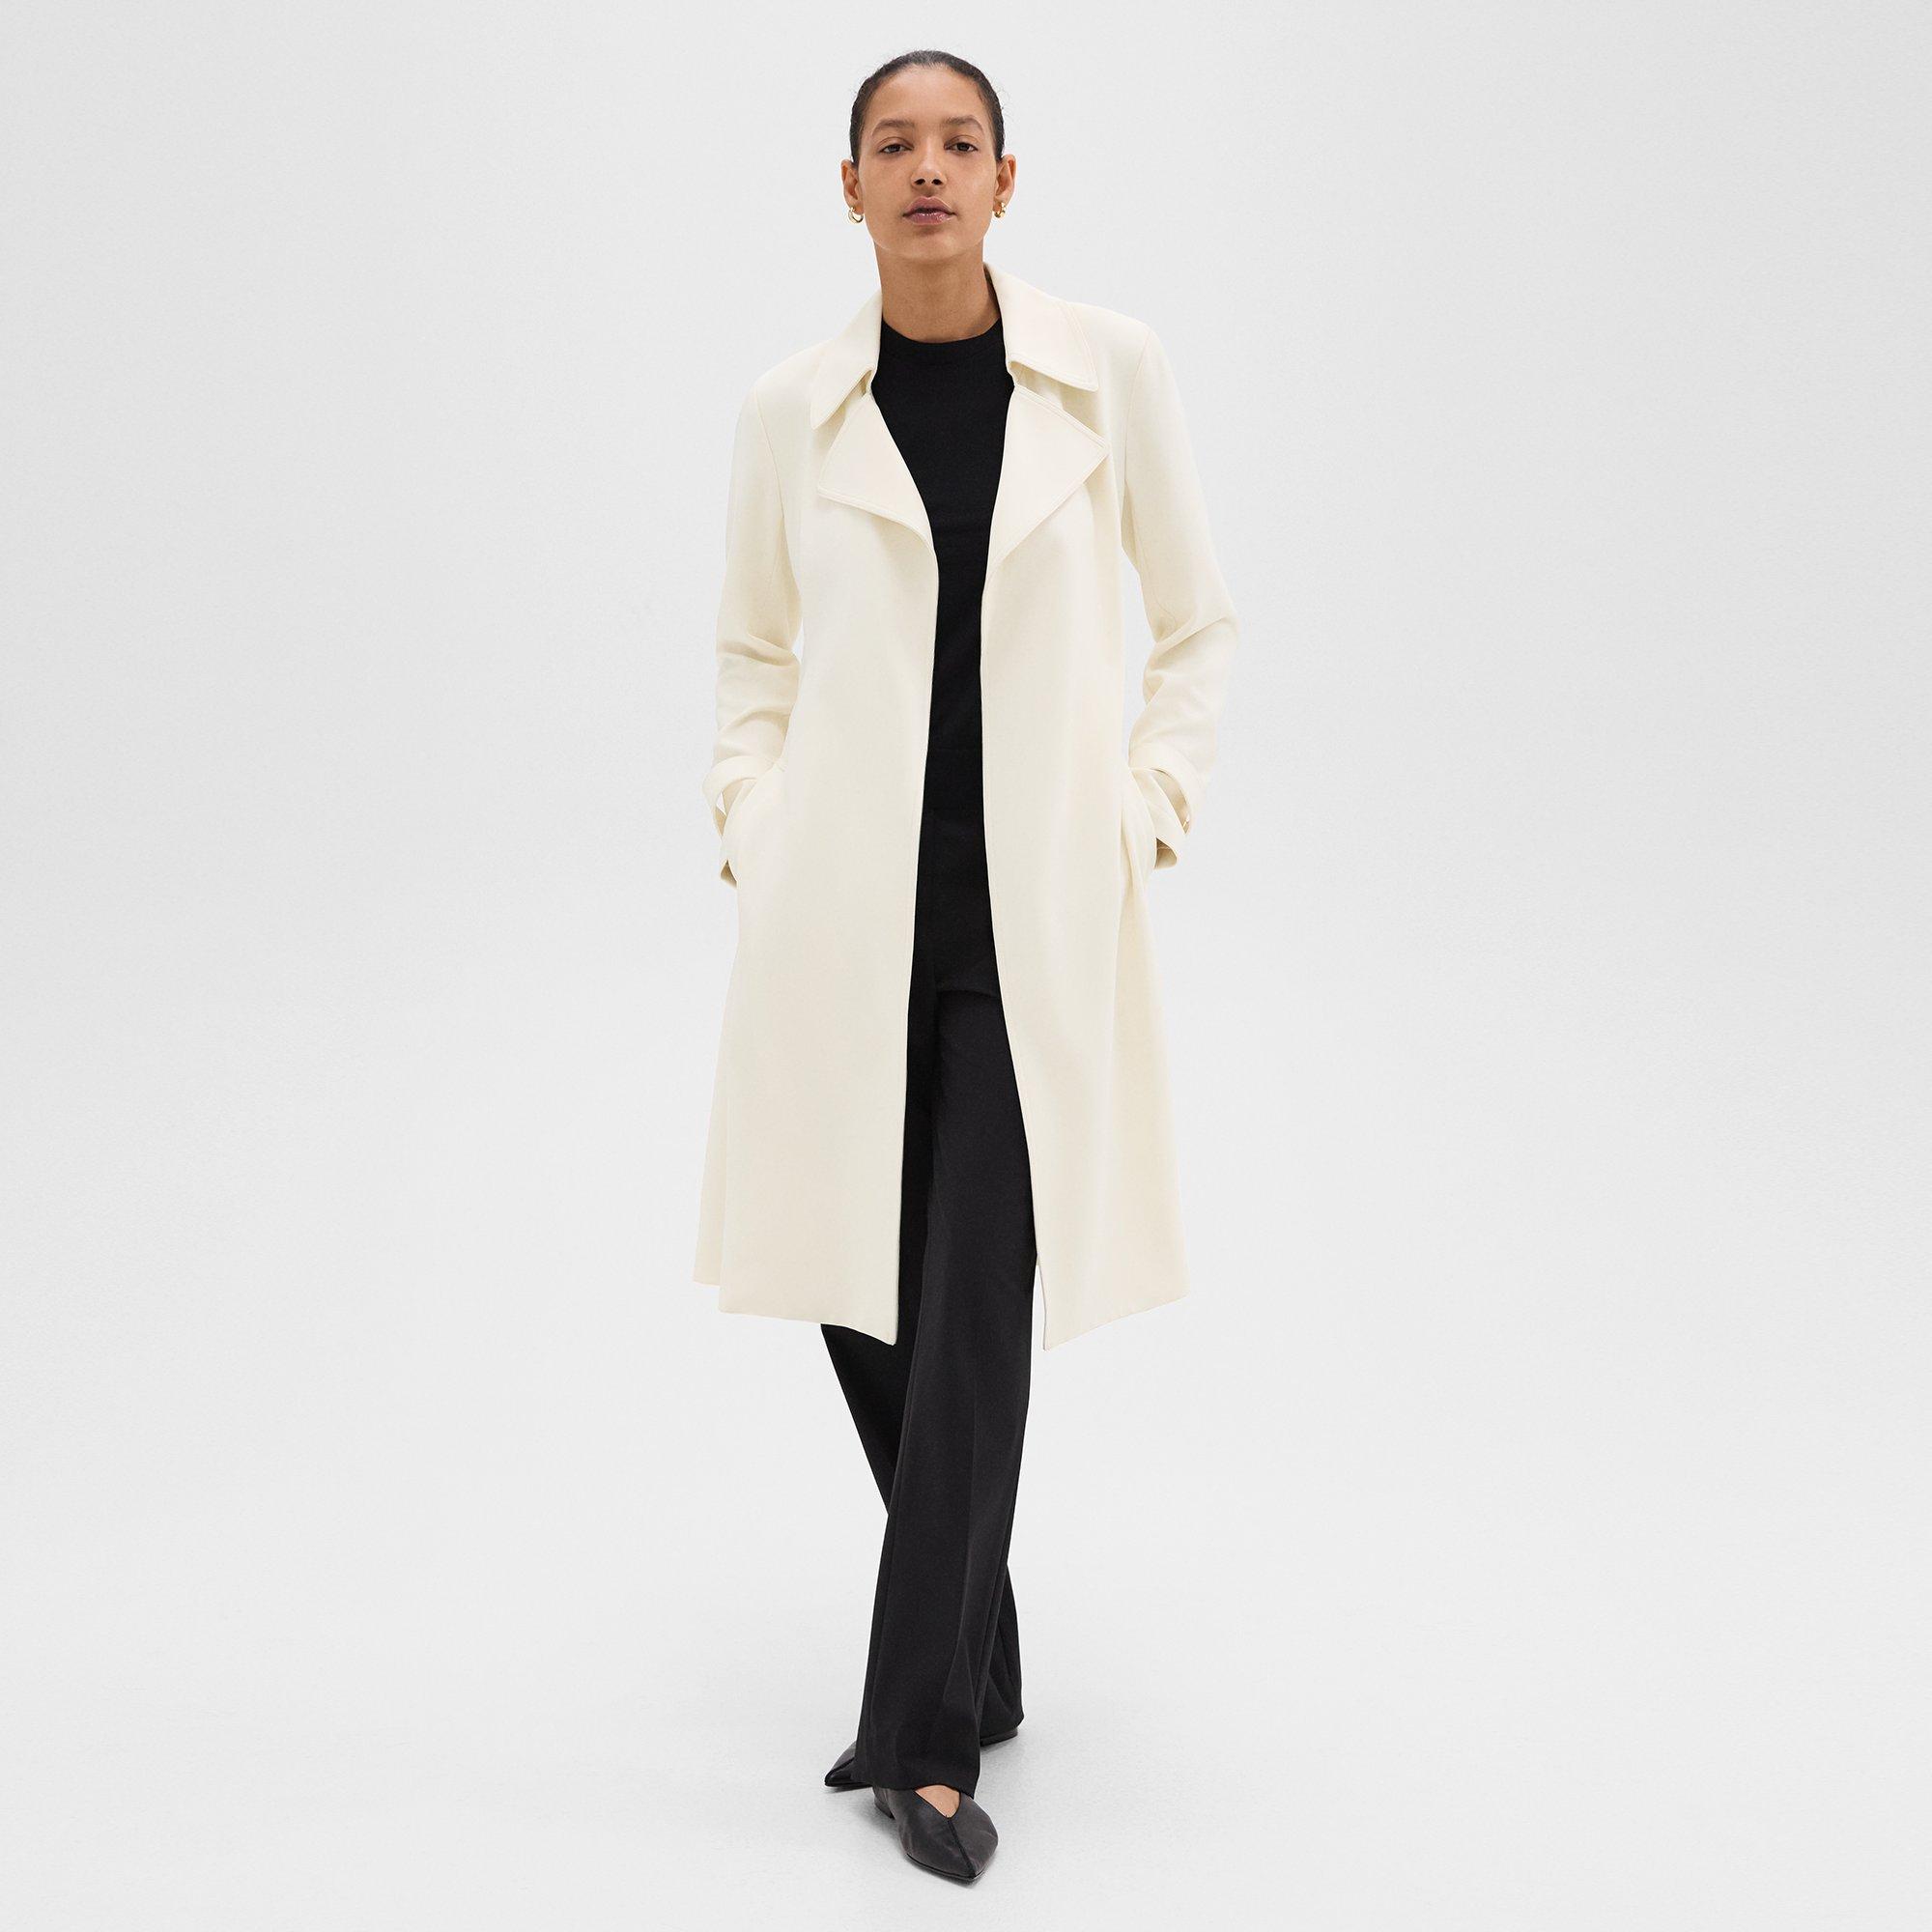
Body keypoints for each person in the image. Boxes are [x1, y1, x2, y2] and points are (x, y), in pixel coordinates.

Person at [694, 48, 1239, 1885]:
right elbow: (750, 655)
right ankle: (980, 1647)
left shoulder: (1107, 374)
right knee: (866, 1306)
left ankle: (920, 1741)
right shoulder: (793, 407)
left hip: (1032, 930)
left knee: (977, 1312)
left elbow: (1200, 624)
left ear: (1009, 180)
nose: (927, 169)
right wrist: (754, 827)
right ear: (848, 187)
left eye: (959, 143)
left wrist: (1145, 813)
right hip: (843, 929)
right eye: (893, 145)